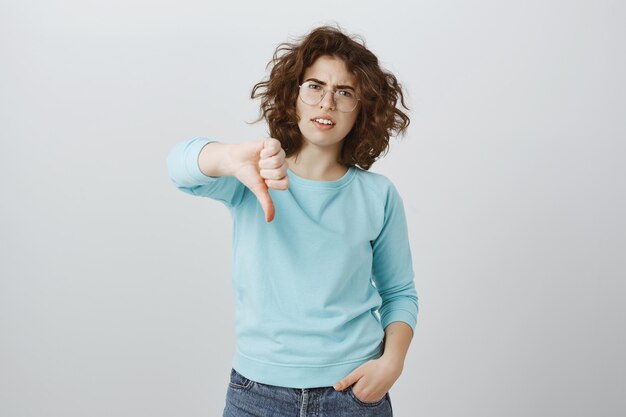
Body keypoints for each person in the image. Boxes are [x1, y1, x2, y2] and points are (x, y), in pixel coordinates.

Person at [166, 24, 418, 417]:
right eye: (315, 86)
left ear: (362, 108)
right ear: (293, 96)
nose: (327, 103)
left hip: (353, 394)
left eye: (345, 92)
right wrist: (230, 158)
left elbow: (400, 293)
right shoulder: (253, 175)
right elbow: (180, 166)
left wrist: (392, 363)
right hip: (257, 395)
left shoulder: (378, 195)